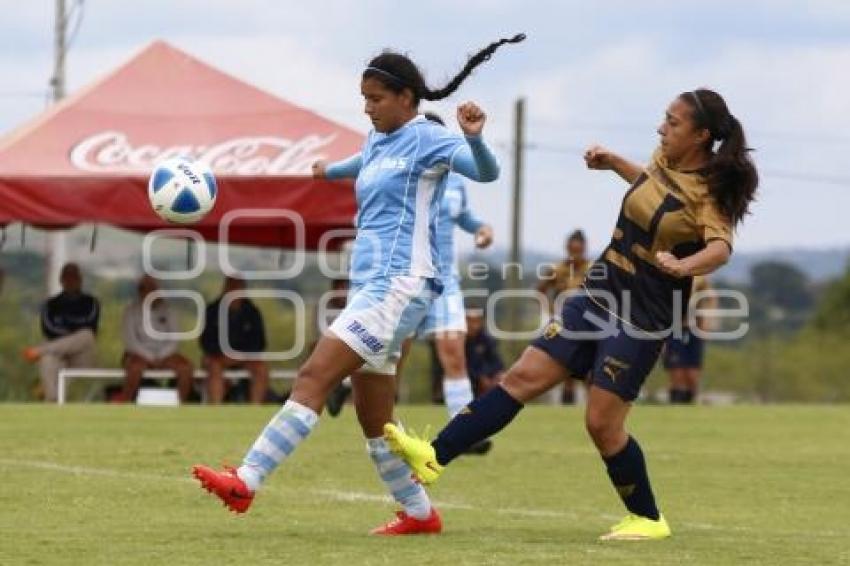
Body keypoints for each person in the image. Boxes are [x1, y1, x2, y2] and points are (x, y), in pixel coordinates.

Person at [385, 88, 758, 541]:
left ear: (700, 135)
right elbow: (654, 191)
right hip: (597, 293)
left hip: (644, 316)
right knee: (520, 378)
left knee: (601, 423)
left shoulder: (713, 192)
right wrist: (615, 163)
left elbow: (719, 247)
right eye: (664, 118)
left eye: (674, 123)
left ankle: (647, 518)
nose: (662, 128)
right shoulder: (662, 160)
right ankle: (434, 455)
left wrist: (684, 265)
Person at [192, 34, 521, 535]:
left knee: (312, 379)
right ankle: (418, 513)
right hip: (374, 288)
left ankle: (247, 479)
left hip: (399, 286)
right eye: (364, 99)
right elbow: (360, 164)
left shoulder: (428, 138)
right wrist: (327, 171)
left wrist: (474, 136)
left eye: (376, 99)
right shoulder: (377, 141)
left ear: (407, 99)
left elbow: (486, 172)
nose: (367, 108)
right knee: (374, 420)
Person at [23, 263, 100, 402]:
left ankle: (39, 351)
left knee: (86, 335)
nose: (71, 281)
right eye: (67, 277)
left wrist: (67, 333)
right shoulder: (51, 304)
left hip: (81, 357)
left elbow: (90, 325)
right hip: (58, 355)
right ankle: (52, 402)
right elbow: (48, 329)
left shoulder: (91, 302)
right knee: (47, 360)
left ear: (80, 279)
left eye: (74, 277)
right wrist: (71, 335)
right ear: (61, 280)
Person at [537, 229, 591, 404]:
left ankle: (594, 410)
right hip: (564, 321)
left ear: (584, 249)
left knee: (589, 368)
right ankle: (566, 408)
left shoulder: (593, 269)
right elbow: (540, 291)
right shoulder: (557, 269)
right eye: (571, 250)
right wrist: (550, 311)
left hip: (587, 322)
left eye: (578, 250)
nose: (574, 254)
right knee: (566, 366)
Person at [120, 275, 194, 402]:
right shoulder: (130, 310)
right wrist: (149, 357)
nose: (148, 292)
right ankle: (126, 404)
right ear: (140, 291)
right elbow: (130, 340)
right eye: (144, 289)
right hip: (139, 353)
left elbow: (175, 338)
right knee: (135, 367)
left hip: (166, 354)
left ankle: (181, 405)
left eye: (152, 289)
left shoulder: (169, 310)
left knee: (186, 368)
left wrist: (161, 356)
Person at [199, 276, 269, 404]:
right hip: (219, 357)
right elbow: (206, 340)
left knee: (261, 368)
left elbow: (260, 341)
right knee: (213, 366)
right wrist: (222, 354)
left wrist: (242, 355)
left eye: (238, 288)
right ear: (224, 289)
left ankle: (256, 408)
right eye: (231, 288)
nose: (234, 292)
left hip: (246, 357)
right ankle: (215, 408)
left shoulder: (252, 312)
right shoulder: (213, 310)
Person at [664, 275, 716, 403]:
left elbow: (711, 297)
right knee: (677, 373)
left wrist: (707, 320)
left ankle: (690, 402)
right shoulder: (669, 275)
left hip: (694, 329)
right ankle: (676, 403)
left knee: (693, 374)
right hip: (674, 329)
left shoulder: (700, 278)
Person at [463, 308, 504, 396]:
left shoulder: (486, 340)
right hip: (467, 379)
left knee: (501, 378)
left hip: (486, 377)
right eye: (469, 321)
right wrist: (479, 377)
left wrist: (496, 375)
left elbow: (497, 362)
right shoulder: (458, 342)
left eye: (476, 321)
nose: (473, 325)